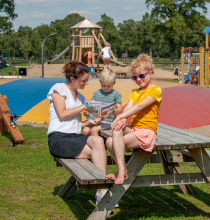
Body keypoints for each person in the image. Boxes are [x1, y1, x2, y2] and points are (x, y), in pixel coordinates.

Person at [47, 60, 107, 205]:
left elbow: (76, 123)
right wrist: (83, 107)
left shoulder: (80, 97)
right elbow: (62, 114)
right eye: (83, 80)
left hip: (75, 137)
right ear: (72, 79)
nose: (86, 83)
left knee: (98, 141)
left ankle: (101, 190)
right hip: (59, 139)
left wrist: (91, 121)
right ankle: (102, 190)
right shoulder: (58, 89)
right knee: (98, 150)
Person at [105, 54, 162, 185]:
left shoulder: (155, 90)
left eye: (142, 75)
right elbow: (128, 108)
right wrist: (121, 119)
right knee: (109, 140)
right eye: (134, 77)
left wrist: (121, 116)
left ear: (151, 73)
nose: (138, 79)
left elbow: (140, 106)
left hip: (146, 131)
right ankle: (123, 169)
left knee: (113, 140)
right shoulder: (134, 91)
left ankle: (121, 171)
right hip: (134, 129)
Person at [83, 68, 122, 136]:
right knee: (85, 130)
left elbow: (119, 109)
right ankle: (85, 145)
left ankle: (96, 145)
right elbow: (91, 106)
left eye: (109, 86)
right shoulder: (96, 93)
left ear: (114, 83)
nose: (106, 88)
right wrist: (87, 112)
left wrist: (115, 111)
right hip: (95, 119)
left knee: (94, 130)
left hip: (107, 122)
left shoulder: (116, 94)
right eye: (103, 85)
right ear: (100, 82)